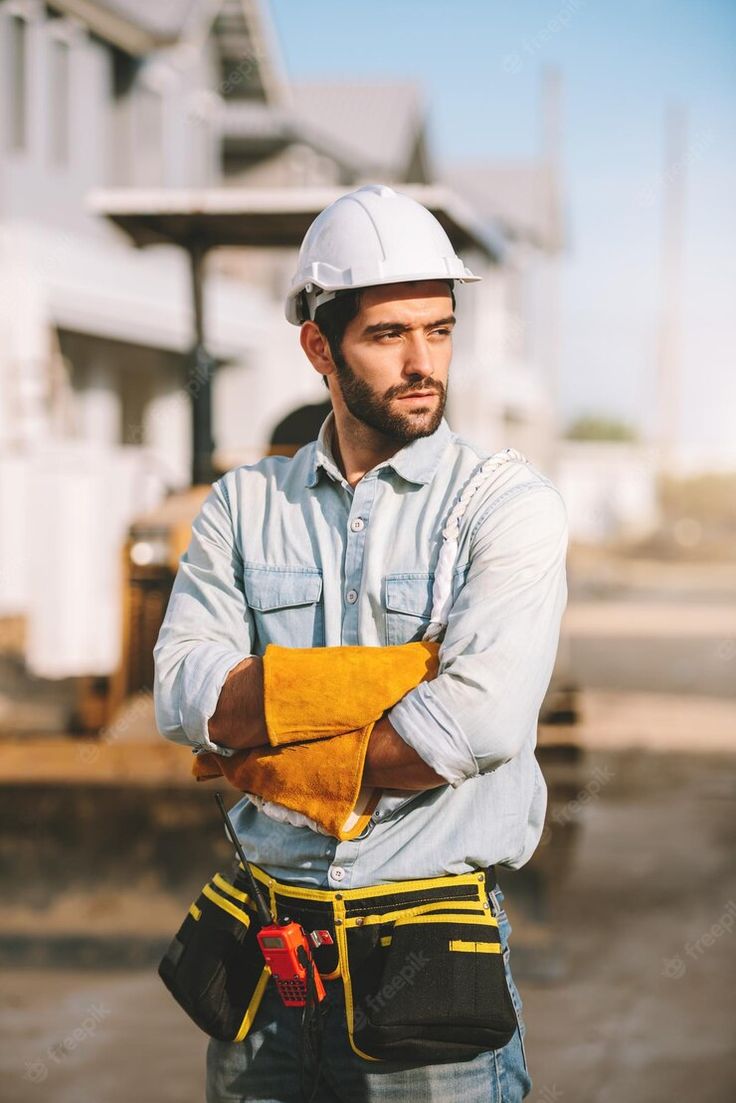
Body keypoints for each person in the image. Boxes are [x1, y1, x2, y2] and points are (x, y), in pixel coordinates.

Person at [153, 184, 568, 1102]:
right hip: (267, 966)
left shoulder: (503, 507)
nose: (424, 362)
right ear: (319, 346)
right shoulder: (243, 505)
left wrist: (266, 742)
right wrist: (397, 684)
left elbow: (471, 726)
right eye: (389, 335)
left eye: (440, 328)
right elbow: (186, 693)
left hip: (426, 966)